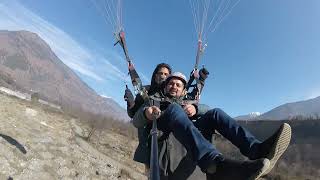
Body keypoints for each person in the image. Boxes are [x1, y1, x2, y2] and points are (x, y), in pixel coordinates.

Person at [132, 72, 292, 180]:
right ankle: (212, 163)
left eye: (178, 85)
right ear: (165, 87)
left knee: (215, 113)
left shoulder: (188, 104)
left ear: (183, 91)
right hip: (164, 138)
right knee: (174, 109)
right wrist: (147, 112)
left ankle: (257, 150)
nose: (174, 86)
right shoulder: (154, 100)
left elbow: (206, 109)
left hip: (187, 146)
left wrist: (196, 109)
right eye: (171, 84)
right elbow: (136, 120)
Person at [124, 63, 172, 174]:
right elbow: (133, 114)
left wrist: (200, 81)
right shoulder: (145, 91)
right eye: (160, 73)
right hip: (148, 143)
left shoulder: (172, 94)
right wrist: (130, 103)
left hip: (168, 145)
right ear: (155, 75)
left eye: (166, 74)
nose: (163, 76)